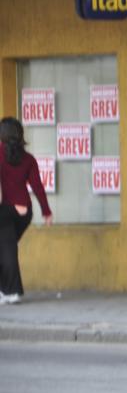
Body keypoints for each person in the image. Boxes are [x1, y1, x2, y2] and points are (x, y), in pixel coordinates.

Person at [0, 117, 53, 305]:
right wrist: (46, 211)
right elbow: (37, 187)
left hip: (5, 212)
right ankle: (5, 289)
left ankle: (12, 292)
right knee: (5, 249)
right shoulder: (29, 159)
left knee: (7, 250)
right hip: (25, 213)